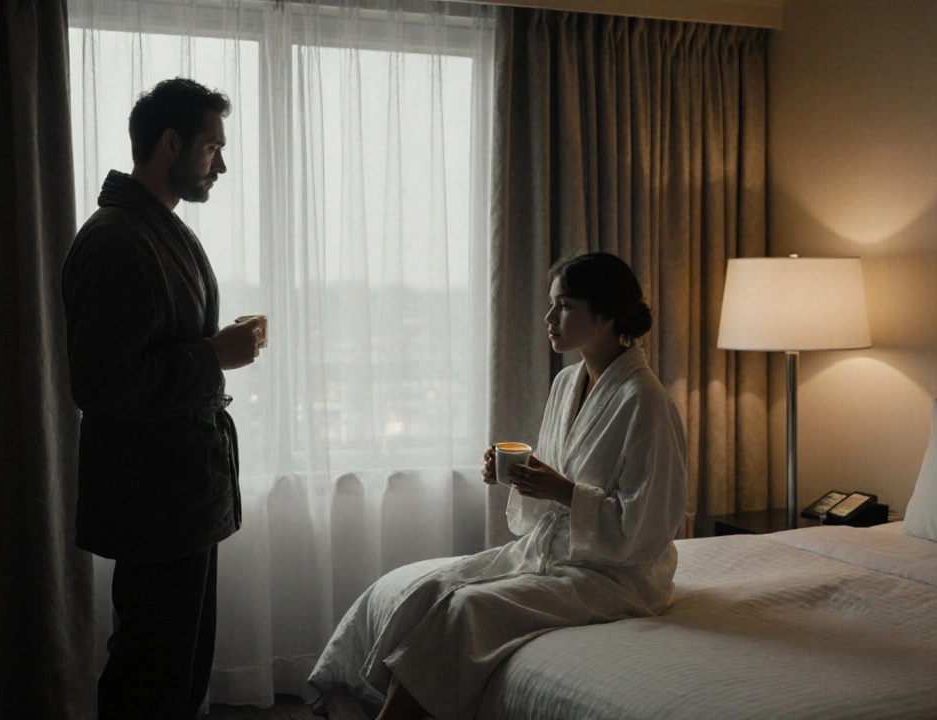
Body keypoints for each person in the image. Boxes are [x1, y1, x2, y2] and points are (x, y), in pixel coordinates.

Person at [309, 252, 689, 720]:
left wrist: (563, 491)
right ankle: (354, 700)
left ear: (607, 314)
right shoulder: (568, 382)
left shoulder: (645, 401)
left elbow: (648, 529)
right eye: (552, 305)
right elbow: (566, 480)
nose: (549, 318)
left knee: (467, 608)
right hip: (557, 551)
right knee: (432, 587)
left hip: (617, 578)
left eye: (565, 306)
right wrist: (526, 479)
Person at [61, 78, 263, 719]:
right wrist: (215, 356)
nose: (222, 165)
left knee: (180, 669)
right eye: (212, 148)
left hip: (178, 496)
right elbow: (102, 384)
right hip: (154, 500)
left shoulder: (157, 229)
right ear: (170, 143)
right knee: (153, 675)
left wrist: (217, 348)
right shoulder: (119, 240)